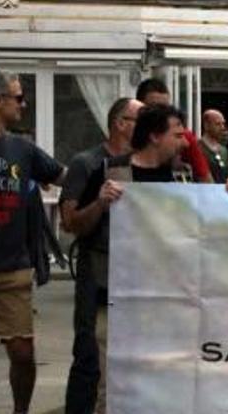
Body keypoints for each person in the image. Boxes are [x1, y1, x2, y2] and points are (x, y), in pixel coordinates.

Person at [0, 70, 66, 414]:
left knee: (23, 355)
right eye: (18, 97)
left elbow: (64, 177)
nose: (23, 105)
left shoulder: (22, 149)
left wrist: (104, 181)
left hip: (13, 267)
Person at [59, 97, 143, 414]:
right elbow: (70, 223)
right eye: (140, 119)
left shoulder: (144, 165)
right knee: (88, 354)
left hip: (136, 276)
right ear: (120, 123)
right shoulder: (87, 163)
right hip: (97, 273)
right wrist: (100, 203)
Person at [136, 78, 213, 183]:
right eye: (154, 107)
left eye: (165, 108)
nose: (161, 113)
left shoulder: (184, 137)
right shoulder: (128, 133)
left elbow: (206, 179)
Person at [199, 109, 228, 183]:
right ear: (206, 125)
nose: (222, 127)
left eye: (223, 124)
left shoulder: (224, 150)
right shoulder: (198, 148)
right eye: (218, 124)